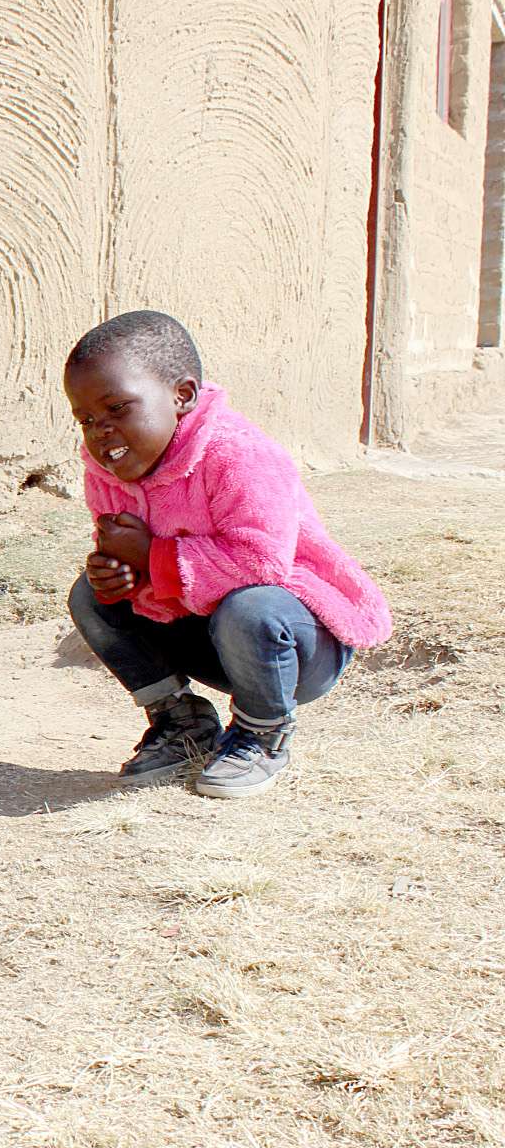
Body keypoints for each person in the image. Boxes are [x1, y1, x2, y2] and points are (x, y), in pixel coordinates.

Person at [64, 310, 391, 798]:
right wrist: (122, 576)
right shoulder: (109, 471)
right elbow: (136, 562)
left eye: (117, 408)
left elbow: (261, 564)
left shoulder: (238, 454)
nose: (101, 430)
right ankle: (181, 723)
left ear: (183, 396)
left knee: (251, 604)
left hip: (296, 643)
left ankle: (262, 735)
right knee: (90, 597)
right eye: (87, 418)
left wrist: (151, 555)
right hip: (214, 637)